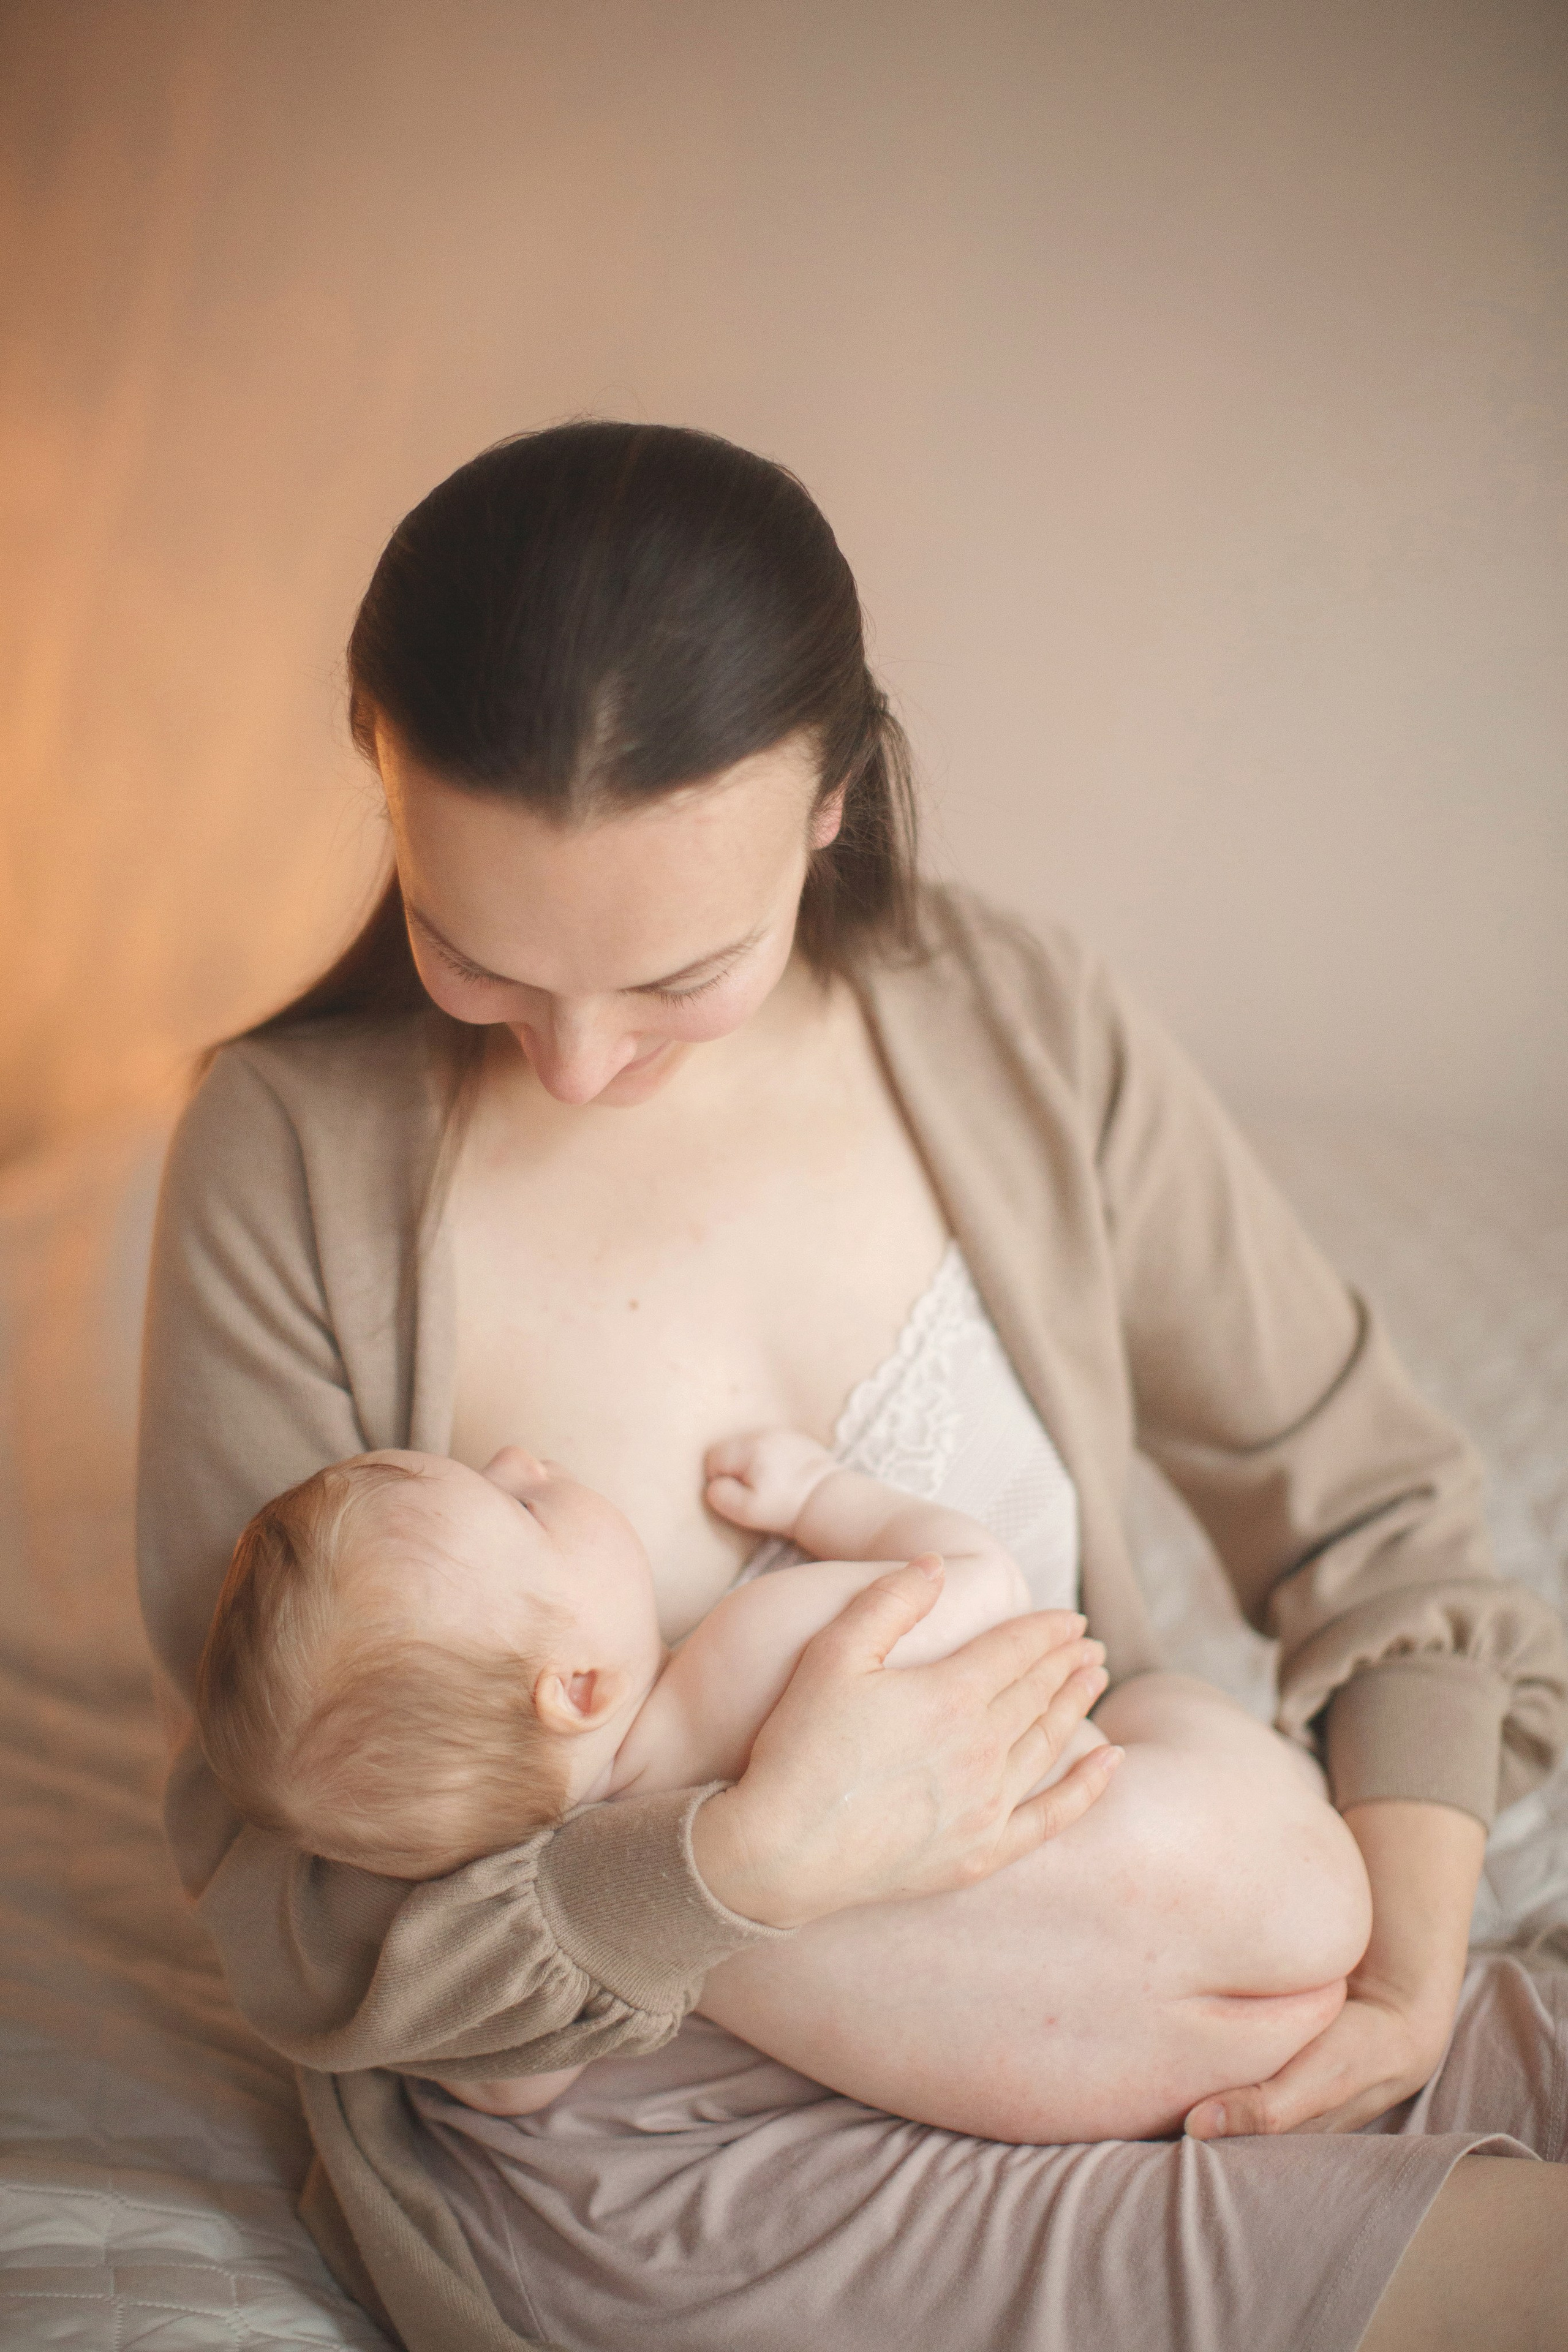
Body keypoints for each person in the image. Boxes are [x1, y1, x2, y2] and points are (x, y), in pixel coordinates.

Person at [137, 420, 1568, 2352]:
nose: (575, 1065)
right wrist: (729, 1868)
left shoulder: (1016, 1028)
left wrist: (1398, 1975)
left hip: (1137, 1949)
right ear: (379, 783)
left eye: (679, 977)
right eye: (473, 956)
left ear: (831, 805)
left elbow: (1374, 1508)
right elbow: (284, 1862)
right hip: (671, 2149)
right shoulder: (286, 1158)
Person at [193, 1431, 1372, 2144]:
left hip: (1135, 2089)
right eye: (519, 1504)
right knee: (1167, 1697)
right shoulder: (750, 1657)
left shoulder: (600, 1950)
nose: (519, 1459)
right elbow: (984, 1581)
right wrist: (821, 1497)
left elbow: (516, 2092)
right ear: (583, 1687)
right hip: (1276, 1890)